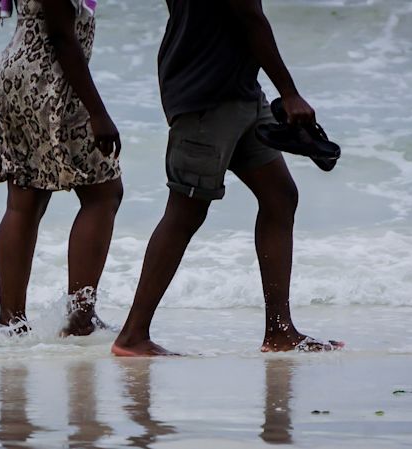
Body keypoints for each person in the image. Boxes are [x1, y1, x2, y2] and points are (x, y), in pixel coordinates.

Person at [112, 0, 343, 355]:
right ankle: (132, 337)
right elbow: (249, 14)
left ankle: (280, 332)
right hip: (207, 96)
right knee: (186, 210)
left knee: (280, 195)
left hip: (241, 91)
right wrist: (290, 92)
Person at [0, 0, 122, 336]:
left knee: (25, 199)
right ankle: (79, 319)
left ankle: (10, 323)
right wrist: (98, 113)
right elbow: (60, 33)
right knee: (103, 192)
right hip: (48, 80)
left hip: (20, 74)